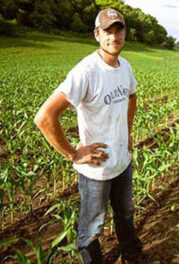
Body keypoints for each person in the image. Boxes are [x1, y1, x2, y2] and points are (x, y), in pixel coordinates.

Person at [34, 8, 142, 264]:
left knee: (125, 214)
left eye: (118, 30)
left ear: (125, 33)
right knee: (92, 228)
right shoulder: (86, 71)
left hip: (122, 162)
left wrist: (127, 132)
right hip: (97, 170)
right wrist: (73, 153)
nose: (113, 37)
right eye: (107, 31)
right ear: (97, 34)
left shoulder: (125, 66)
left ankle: (132, 255)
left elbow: (132, 96)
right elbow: (44, 117)